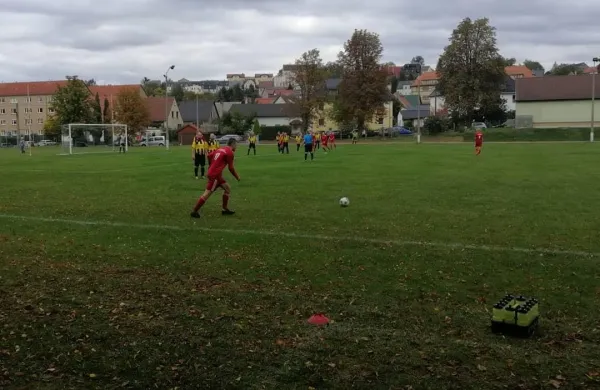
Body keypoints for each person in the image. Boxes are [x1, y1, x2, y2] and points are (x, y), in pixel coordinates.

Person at [190, 138, 240, 218]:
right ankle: (194, 211)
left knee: (227, 189)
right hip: (215, 175)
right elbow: (231, 168)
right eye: (236, 145)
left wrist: (212, 165)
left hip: (216, 174)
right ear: (233, 144)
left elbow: (209, 156)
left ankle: (225, 209)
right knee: (207, 193)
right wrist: (237, 177)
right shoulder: (230, 152)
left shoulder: (221, 148)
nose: (237, 147)